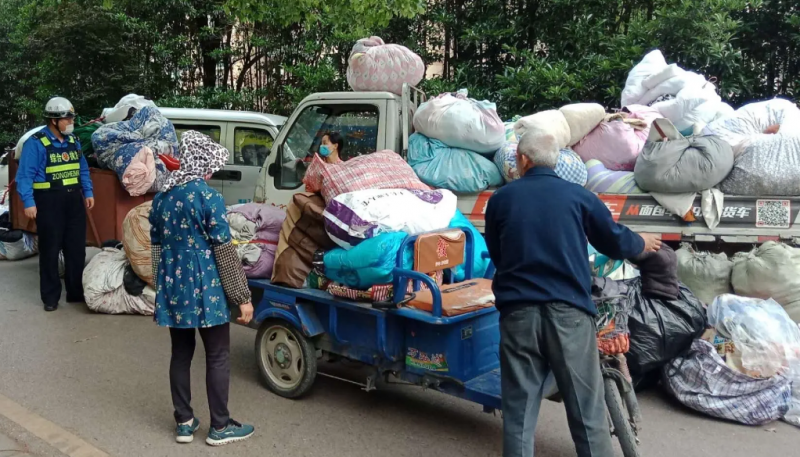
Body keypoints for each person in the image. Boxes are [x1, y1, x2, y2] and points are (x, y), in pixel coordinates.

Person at [485, 132, 661, 457]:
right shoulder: (579, 197)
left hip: (518, 314)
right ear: (555, 161)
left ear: (522, 160)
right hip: (569, 315)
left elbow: (498, 254)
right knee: (586, 411)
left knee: (519, 413)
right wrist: (641, 243)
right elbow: (613, 240)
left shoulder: (500, 200)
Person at [149, 130, 256, 446]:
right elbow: (224, 251)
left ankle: (184, 422)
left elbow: (155, 248)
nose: (211, 171)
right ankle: (220, 427)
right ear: (202, 164)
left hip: (173, 285)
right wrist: (243, 298)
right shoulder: (209, 197)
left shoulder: (162, 197)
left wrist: (160, 287)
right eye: (210, 164)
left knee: (180, 354)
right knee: (218, 355)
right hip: (205, 284)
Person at [16, 97, 94, 312]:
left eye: (72, 117)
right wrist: (28, 202)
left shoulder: (73, 141)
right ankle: (50, 298)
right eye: (67, 118)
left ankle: (75, 293)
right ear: (53, 120)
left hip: (73, 201)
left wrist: (88, 191)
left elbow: (83, 169)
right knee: (50, 250)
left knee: (76, 249)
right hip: (48, 202)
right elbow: (24, 176)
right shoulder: (37, 143)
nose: (71, 121)